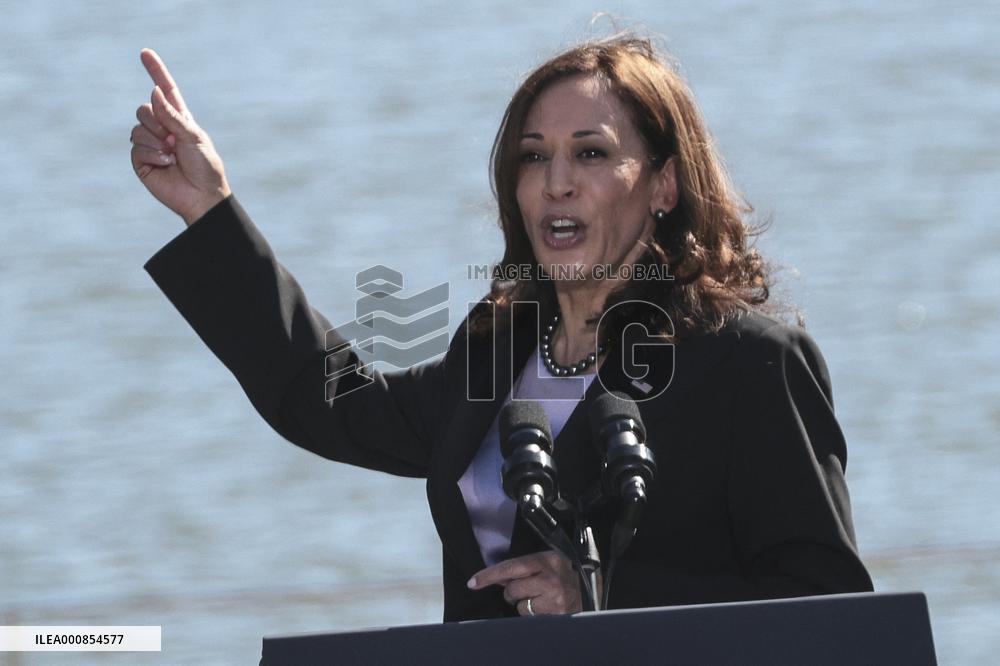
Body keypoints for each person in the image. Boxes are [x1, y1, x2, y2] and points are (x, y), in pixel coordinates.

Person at [130, 36, 873, 622]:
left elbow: (829, 606)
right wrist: (211, 213)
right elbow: (330, 403)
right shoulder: (496, 349)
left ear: (664, 184)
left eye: (591, 153)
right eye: (533, 156)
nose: (556, 182)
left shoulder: (748, 363)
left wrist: (600, 593)